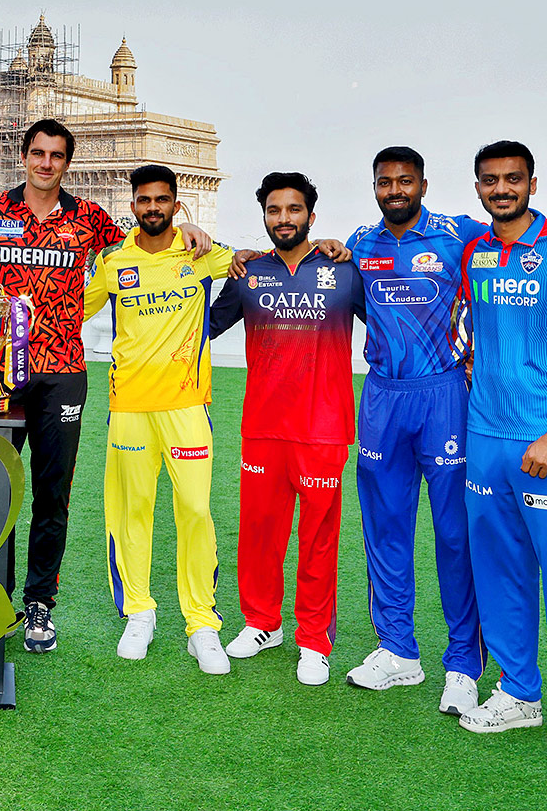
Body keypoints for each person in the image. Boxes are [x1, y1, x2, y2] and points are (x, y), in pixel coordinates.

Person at [0, 119, 211, 653]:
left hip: (64, 373)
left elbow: (147, 244)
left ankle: (38, 606)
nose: (46, 163)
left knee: (53, 495)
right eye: (37, 153)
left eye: (56, 155)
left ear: (67, 163)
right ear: (23, 156)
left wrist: (193, 232)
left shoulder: (91, 219)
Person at [345, 146, 487, 716]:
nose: (395, 190)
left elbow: (519, 234)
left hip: (444, 394)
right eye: (385, 182)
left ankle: (462, 663)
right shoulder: (360, 244)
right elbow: (314, 262)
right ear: (374, 186)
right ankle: (399, 652)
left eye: (405, 181)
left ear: (424, 185)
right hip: (381, 396)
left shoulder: (457, 235)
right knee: (385, 530)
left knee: (454, 534)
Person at [209, 172, 365, 686]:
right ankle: (262, 623)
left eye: (293, 210)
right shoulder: (247, 274)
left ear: (311, 217)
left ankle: (314, 640)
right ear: (265, 217)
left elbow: (391, 320)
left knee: (319, 538)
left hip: (323, 428)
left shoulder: (343, 270)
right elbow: (201, 325)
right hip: (263, 426)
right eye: (274, 211)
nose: (283, 219)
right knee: (259, 532)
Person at [81, 164, 235, 674]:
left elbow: (260, 262)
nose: (153, 208)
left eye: (162, 200)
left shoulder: (200, 254)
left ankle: (201, 624)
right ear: (133, 206)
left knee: (194, 510)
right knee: (132, 512)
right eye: (144, 200)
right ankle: (139, 612)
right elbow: (70, 310)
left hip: (188, 406)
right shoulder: (113, 260)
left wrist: (323, 244)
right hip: (129, 408)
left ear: (176, 204)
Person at [458, 140, 547, 733]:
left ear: (533, 185)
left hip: (540, 438)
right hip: (485, 435)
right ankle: (519, 692)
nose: (501, 190)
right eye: (490, 181)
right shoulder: (475, 253)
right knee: (500, 567)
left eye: (512, 179)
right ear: (479, 189)